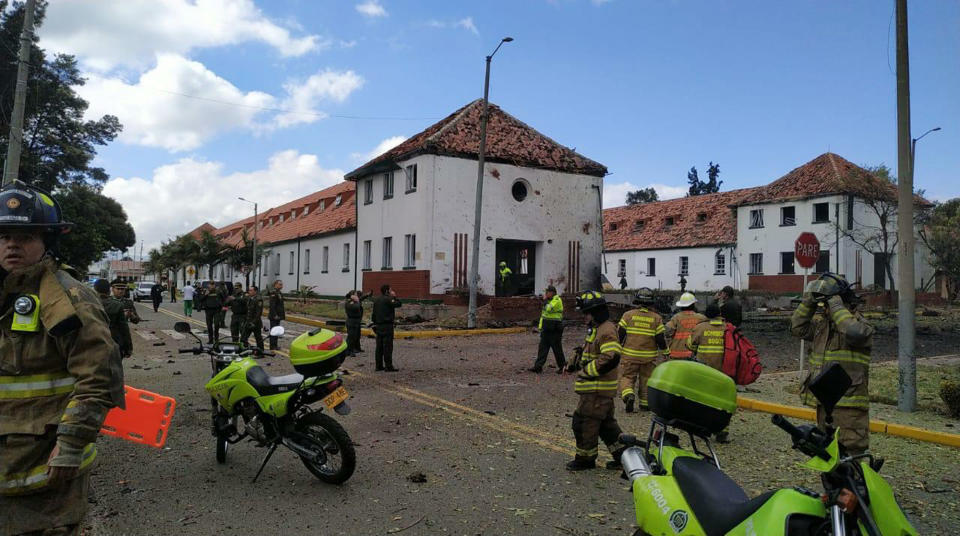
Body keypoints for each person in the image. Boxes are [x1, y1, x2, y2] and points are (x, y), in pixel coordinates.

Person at [0, 181, 125, 535]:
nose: (12, 243)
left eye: (25, 235)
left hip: (45, 474)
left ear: (47, 241)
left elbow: (98, 377)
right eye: (4, 235)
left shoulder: (69, 298)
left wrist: (71, 444)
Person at [791, 273, 873, 455]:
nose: (826, 308)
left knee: (849, 459)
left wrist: (836, 304)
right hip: (825, 404)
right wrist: (809, 302)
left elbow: (853, 332)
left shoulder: (861, 326)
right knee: (826, 456)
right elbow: (797, 328)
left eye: (828, 303)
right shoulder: (822, 327)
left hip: (849, 409)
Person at [564, 291, 627, 471]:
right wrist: (577, 358)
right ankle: (625, 458)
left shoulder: (606, 330)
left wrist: (587, 371)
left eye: (586, 313)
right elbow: (595, 353)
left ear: (596, 312)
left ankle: (585, 459)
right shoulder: (597, 328)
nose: (584, 317)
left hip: (597, 390)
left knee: (584, 423)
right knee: (607, 427)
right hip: (597, 391)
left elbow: (611, 356)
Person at [617, 288, 670, 413]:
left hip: (629, 355)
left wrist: (616, 348)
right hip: (648, 357)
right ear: (651, 302)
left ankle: (628, 394)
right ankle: (645, 404)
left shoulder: (628, 315)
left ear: (637, 300)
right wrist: (666, 352)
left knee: (627, 377)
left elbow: (620, 334)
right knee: (646, 379)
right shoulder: (656, 318)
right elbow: (660, 339)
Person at [686, 302, 730, 443]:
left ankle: (702, 428)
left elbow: (690, 345)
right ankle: (722, 430)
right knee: (723, 401)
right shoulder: (727, 328)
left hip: (704, 370)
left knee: (702, 400)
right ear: (720, 314)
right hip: (723, 371)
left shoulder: (700, 327)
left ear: (706, 315)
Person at [530, 285, 566, 373]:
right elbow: (544, 315)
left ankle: (563, 367)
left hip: (555, 329)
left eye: (547, 292)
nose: (546, 294)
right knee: (542, 348)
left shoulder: (557, 300)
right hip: (547, 328)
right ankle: (538, 367)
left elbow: (549, 309)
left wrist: (544, 300)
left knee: (557, 349)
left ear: (552, 293)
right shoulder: (550, 300)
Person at [94, 279, 132, 359]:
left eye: (122, 289)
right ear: (109, 290)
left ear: (95, 290)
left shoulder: (89, 303)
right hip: (113, 340)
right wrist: (128, 347)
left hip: (94, 341)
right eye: (118, 289)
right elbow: (124, 328)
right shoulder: (117, 305)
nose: (120, 291)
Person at [664, 292, 707, 359]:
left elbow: (667, 332)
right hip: (693, 355)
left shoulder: (676, 318)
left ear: (681, 305)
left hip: (676, 353)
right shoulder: (701, 318)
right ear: (693, 304)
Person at [371, 284, 402, 372]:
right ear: (387, 291)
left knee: (379, 347)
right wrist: (395, 296)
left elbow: (373, 314)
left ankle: (378, 366)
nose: (392, 291)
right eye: (390, 290)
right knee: (387, 347)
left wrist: (375, 323)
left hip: (378, 325)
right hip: (387, 326)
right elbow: (398, 304)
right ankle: (388, 366)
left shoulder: (376, 299)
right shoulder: (389, 299)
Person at [345, 290, 372, 355]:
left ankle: (357, 348)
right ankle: (348, 351)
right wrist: (357, 301)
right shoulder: (349, 302)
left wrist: (368, 294)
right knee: (351, 337)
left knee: (357, 336)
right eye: (356, 294)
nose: (357, 296)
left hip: (357, 322)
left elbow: (361, 298)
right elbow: (356, 307)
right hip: (351, 322)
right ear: (352, 296)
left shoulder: (355, 301)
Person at [242, 285, 265, 350]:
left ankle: (260, 352)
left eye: (251, 290)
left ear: (255, 291)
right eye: (249, 290)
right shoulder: (250, 298)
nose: (249, 292)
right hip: (248, 321)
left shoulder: (258, 299)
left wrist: (253, 322)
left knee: (258, 338)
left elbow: (258, 313)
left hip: (255, 323)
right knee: (243, 337)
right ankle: (245, 350)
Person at [267, 280, 285, 350]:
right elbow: (272, 305)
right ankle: (272, 346)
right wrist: (275, 315)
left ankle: (275, 345)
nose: (281, 286)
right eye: (280, 284)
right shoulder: (273, 293)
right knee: (273, 331)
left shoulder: (279, 293)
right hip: (274, 316)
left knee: (277, 331)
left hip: (278, 316)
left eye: (282, 284)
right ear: (275, 285)